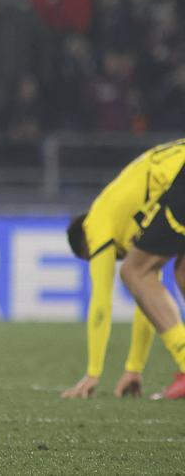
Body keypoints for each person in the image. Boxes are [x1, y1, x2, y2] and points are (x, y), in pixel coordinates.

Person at [64, 139, 185, 400]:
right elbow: (148, 301)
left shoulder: (96, 223)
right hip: (177, 172)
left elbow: (101, 302)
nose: (114, 259)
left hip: (180, 177)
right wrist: (134, 367)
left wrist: (93, 372)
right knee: (180, 272)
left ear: (86, 244)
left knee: (134, 272)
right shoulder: (131, 219)